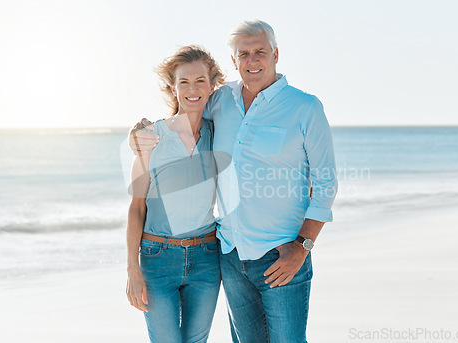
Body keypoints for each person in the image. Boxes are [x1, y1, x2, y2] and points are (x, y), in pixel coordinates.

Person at [129, 20, 337, 343]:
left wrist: (303, 247)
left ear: (276, 54)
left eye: (260, 52)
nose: (252, 61)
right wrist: (141, 132)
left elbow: (325, 185)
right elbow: (186, 110)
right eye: (244, 54)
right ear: (234, 61)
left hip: (282, 256)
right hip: (229, 256)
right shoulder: (221, 101)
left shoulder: (305, 108)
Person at [125, 45, 225, 342]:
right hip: (158, 258)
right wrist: (132, 268)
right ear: (173, 88)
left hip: (207, 257)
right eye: (184, 82)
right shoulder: (151, 138)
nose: (192, 89)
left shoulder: (218, 132)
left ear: (211, 86)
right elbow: (137, 207)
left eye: (200, 81)